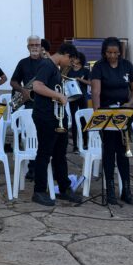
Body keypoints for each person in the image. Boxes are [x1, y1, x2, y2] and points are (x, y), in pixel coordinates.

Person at [90, 37, 133, 205]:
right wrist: (98, 113)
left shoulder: (127, 65)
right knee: (109, 152)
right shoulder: (99, 67)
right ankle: (110, 190)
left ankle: (126, 190)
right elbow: (96, 92)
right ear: (104, 52)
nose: (112, 56)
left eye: (115, 53)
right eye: (109, 53)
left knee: (123, 152)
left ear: (120, 52)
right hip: (106, 113)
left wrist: (130, 103)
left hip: (123, 113)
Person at [30, 42, 82, 206]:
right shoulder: (47, 65)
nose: (71, 65)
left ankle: (64, 188)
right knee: (44, 154)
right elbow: (37, 86)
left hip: (56, 116)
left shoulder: (56, 69)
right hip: (45, 116)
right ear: (66, 55)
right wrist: (58, 96)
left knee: (60, 154)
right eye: (71, 61)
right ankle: (39, 191)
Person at [10, 36, 45, 179]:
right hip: (29, 104)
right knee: (31, 136)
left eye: (37, 44)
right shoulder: (23, 63)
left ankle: (43, 167)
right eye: (32, 45)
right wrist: (23, 90)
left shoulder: (47, 63)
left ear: (41, 46)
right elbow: (13, 82)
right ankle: (32, 169)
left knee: (42, 137)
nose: (35, 47)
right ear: (28, 47)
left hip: (44, 103)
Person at [66, 51, 90, 153]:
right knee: (74, 120)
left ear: (79, 59)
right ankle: (75, 145)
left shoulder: (85, 71)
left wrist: (80, 80)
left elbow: (90, 83)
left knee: (83, 120)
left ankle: (85, 142)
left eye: (75, 58)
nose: (73, 60)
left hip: (83, 97)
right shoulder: (69, 71)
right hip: (72, 97)